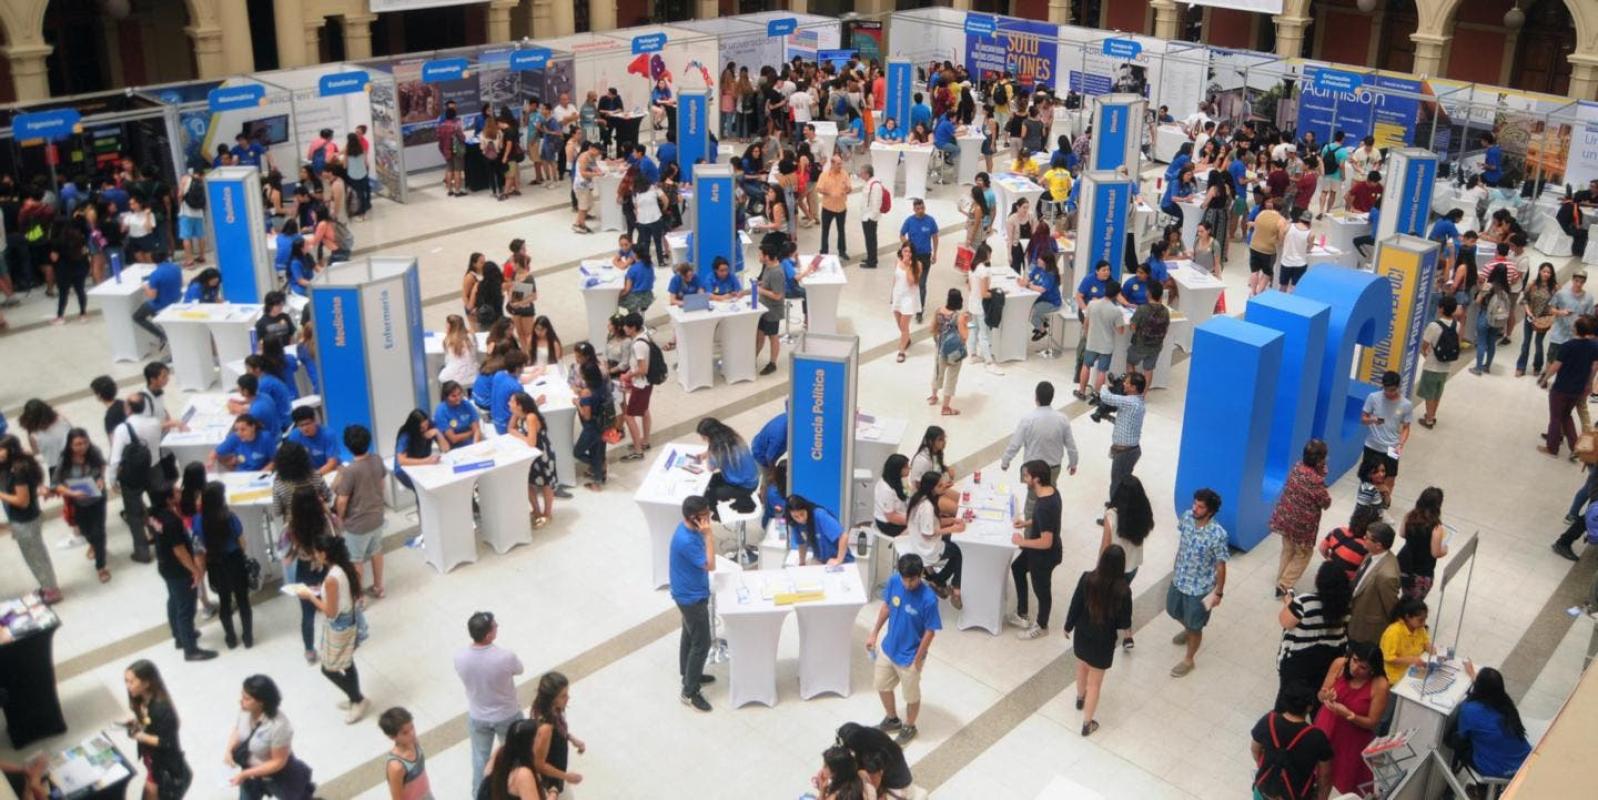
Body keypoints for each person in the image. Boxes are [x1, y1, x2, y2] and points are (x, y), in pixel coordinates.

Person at [294, 534, 370, 723]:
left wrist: (310, 596)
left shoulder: (331, 579)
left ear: (324, 554)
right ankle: (355, 697)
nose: (315, 556)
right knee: (347, 663)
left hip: (339, 626)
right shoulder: (344, 568)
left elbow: (330, 612)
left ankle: (357, 699)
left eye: (316, 553)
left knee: (328, 669)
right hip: (349, 619)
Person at [868, 554, 941, 746]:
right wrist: (874, 633)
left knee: (911, 696)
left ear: (920, 575)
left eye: (912, 580)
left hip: (910, 656)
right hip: (889, 648)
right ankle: (892, 719)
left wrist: (918, 659)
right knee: (882, 685)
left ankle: (909, 726)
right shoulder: (894, 581)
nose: (908, 584)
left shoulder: (929, 599)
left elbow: (930, 631)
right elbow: (886, 607)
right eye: (905, 579)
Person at [455, 610, 525, 796]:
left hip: (478, 716)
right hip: (507, 715)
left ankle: (479, 794)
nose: (497, 627)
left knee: (480, 759)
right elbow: (519, 669)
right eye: (494, 626)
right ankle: (516, 790)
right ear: (488, 635)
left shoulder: (460, 657)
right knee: (515, 754)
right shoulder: (505, 657)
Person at [145, 478, 216, 660]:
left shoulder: (154, 514)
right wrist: (195, 570)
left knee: (174, 600)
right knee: (186, 607)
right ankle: (190, 649)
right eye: (176, 492)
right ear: (168, 499)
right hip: (178, 569)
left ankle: (179, 636)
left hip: (165, 565)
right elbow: (179, 550)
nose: (179, 493)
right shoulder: (171, 521)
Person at [1313, 641, 1390, 795]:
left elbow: (1372, 722)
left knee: (1347, 780)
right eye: (1354, 661)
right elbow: (1321, 694)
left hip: (1352, 739)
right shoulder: (1339, 664)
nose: (1355, 668)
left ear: (1372, 669)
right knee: (1320, 775)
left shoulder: (1380, 685)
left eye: (1363, 667)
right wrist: (1325, 696)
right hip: (1326, 726)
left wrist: (1349, 715)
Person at [1167, 488, 1228, 678]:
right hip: (1179, 579)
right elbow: (1182, 544)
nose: (1195, 508)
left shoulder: (1218, 534)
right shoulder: (1186, 517)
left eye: (1200, 506)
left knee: (1196, 626)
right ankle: (1188, 628)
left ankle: (1189, 659)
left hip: (1200, 588)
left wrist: (1218, 592)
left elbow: (1221, 566)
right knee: (1172, 609)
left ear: (1210, 511)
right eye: (1195, 504)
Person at [1276, 560, 1352, 709]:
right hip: (1328, 659)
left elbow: (1285, 622)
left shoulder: (1304, 602)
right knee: (1316, 697)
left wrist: (1289, 602)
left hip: (1299, 659)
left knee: (1288, 699)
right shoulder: (1346, 605)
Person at [226, 674, 316, 799]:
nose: (241, 701)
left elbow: (278, 762)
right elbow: (238, 730)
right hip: (251, 774)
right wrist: (229, 750)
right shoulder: (246, 710)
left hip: (277, 778)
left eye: (247, 698)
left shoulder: (279, 726)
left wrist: (245, 774)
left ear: (261, 702)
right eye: (242, 696)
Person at [1005, 461, 1063, 641]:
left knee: (1042, 591)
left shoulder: (1045, 505)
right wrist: (1026, 523)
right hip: (1037, 550)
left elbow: (1046, 542)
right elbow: (1044, 520)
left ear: (1036, 479)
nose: (1024, 479)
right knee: (1018, 567)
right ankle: (1022, 611)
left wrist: (1022, 541)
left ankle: (1042, 626)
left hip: (1044, 556)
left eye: (1026, 476)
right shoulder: (1050, 491)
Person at [670, 495, 717, 712]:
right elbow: (710, 564)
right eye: (705, 515)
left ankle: (689, 674)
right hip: (691, 598)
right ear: (693, 517)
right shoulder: (687, 540)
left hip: (689, 592)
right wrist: (709, 536)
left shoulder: (690, 530)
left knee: (689, 635)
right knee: (702, 643)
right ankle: (689, 691)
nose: (709, 519)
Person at [1270, 440, 1334, 598]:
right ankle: (1285, 584)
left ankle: (1280, 580)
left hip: (1286, 519)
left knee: (1288, 549)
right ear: (1319, 460)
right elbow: (1325, 502)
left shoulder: (1297, 467)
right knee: (1304, 554)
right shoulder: (1316, 481)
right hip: (1302, 526)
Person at [1446, 664, 1532, 780]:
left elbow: (1461, 737)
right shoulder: (1506, 704)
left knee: (1452, 739)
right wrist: (1472, 675)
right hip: (1524, 761)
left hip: (1498, 769)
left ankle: (1454, 778)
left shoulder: (1469, 709)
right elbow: (1489, 689)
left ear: (1478, 686)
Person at [122, 659, 192, 798]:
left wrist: (140, 736)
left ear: (146, 683)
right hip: (152, 762)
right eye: (126, 681)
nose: (128, 686)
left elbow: (166, 741)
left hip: (163, 766)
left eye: (132, 682)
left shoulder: (162, 708)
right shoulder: (140, 700)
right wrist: (137, 724)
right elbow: (147, 721)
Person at [196, 481, 253, 649]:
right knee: (243, 600)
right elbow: (242, 543)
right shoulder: (230, 517)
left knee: (224, 601)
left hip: (215, 563)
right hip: (234, 561)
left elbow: (199, 547)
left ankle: (230, 638)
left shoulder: (199, 521)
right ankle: (248, 637)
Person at [1250, 685, 1334, 800]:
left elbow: (1255, 750)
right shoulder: (1317, 737)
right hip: (1296, 795)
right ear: (1309, 707)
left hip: (1263, 790)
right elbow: (1325, 776)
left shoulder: (1268, 720)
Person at [332, 424, 387, 599]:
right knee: (376, 551)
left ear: (348, 446)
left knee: (356, 560)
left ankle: (358, 597)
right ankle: (378, 587)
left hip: (357, 523)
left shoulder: (350, 471)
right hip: (377, 517)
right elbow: (381, 485)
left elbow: (342, 500)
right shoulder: (377, 460)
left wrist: (340, 518)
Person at [897, 470, 967, 605]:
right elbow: (928, 532)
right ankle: (953, 587)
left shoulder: (919, 499)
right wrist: (953, 528)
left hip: (917, 541)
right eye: (940, 486)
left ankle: (937, 580)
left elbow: (933, 522)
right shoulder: (927, 507)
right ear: (932, 488)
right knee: (958, 552)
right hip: (926, 547)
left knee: (952, 540)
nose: (943, 487)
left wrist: (952, 520)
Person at [51, 428, 109, 582]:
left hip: (97, 498)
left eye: (85, 443)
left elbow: (101, 466)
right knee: (85, 531)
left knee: (99, 532)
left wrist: (101, 479)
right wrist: (72, 493)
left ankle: (101, 566)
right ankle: (94, 544)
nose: (82, 447)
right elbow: (55, 484)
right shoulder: (65, 460)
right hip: (78, 502)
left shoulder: (94, 452)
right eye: (77, 444)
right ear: (70, 445)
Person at [109, 395, 161, 564]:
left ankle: (142, 552)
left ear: (128, 408)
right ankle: (161, 541)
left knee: (134, 515)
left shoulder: (123, 429)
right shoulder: (155, 422)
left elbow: (115, 459)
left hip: (132, 475)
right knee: (159, 507)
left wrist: (112, 480)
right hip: (154, 469)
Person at [1539, 314, 1598, 458]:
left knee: (1555, 418)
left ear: (1576, 329)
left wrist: (1545, 378)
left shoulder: (1567, 346)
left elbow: (1556, 366)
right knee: (1566, 416)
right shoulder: (1593, 346)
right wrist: (1589, 383)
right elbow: (1593, 367)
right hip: (1577, 388)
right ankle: (1575, 447)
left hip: (1562, 387)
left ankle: (1552, 448)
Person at [1346, 522, 1402, 644]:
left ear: (1378, 545)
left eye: (1367, 537)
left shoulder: (1387, 575)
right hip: (1355, 615)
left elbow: (1391, 607)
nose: (1364, 538)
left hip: (1367, 627)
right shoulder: (1372, 554)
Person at [531, 671, 586, 794]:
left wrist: (571, 738)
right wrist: (566, 777)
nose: (568, 698)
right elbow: (539, 764)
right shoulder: (545, 728)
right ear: (551, 698)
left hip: (558, 773)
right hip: (551, 781)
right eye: (563, 696)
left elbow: (558, 731)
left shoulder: (553, 710)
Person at [1360, 371, 1412, 499]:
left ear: (1398, 387)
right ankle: (1366, 500)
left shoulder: (1406, 405)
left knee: (1390, 477)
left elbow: (1406, 428)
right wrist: (1372, 419)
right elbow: (1363, 419)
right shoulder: (1373, 397)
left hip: (1393, 447)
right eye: (1386, 389)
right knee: (1367, 476)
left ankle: (1384, 503)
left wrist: (1401, 444)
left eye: (1392, 390)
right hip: (1372, 444)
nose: (1389, 393)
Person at [1097, 372, 1147, 503]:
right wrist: (1108, 417)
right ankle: (1119, 504)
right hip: (1130, 451)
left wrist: (1105, 385)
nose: (1124, 384)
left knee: (1117, 482)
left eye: (1127, 383)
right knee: (1121, 481)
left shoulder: (1130, 402)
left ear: (1134, 388)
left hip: (1125, 453)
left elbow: (1106, 397)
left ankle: (1115, 509)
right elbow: (1125, 423)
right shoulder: (1138, 402)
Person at [1415, 296, 1460, 429]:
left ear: (1440, 308)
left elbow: (1424, 346)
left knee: (1429, 394)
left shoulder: (1434, 326)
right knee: (1437, 393)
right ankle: (1432, 415)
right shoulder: (1457, 325)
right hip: (1446, 367)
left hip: (1432, 366)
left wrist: (1425, 355)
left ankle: (1429, 420)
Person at [1397, 486, 1449, 600]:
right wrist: (1445, 549)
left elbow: (1402, 534)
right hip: (1422, 570)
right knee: (1413, 602)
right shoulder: (1436, 528)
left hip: (1404, 564)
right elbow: (1435, 553)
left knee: (1401, 593)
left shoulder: (1409, 516)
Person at [1076, 282, 1125, 401]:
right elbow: (1121, 331)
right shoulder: (1116, 311)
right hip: (1106, 345)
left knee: (1086, 366)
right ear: (1117, 294)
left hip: (1092, 342)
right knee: (1102, 371)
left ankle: (1081, 391)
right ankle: (1096, 395)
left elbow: (1086, 323)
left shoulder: (1092, 304)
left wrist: (1087, 335)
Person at [483, 719, 552, 799]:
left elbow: (487, 774)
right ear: (530, 743)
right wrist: (553, 794)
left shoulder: (501, 752)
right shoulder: (523, 774)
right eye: (539, 736)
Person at [928, 288, 970, 415]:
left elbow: (932, 328)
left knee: (937, 372)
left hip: (940, 348)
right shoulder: (959, 317)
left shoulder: (938, 311)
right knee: (951, 377)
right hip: (954, 352)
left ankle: (934, 396)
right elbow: (964, 336)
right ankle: (945, 408)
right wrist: (966, 324)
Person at [1380, 598, 1435, 694]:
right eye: (1420, 620)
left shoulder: (1420, 629)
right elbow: (1388, 658)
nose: (1424, 623)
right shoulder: (1393, 632)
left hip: (1414, 671)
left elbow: (1425, 642)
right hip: (1395, 678)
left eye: (1425, 619)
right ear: (1408, 617)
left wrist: (1429, 648)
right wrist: (1411, 660)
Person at [379, 707, 434, 800]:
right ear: (392, 737)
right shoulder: (396, 766)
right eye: (405, 732)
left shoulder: (414, 743)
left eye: (412, 727)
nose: (412, 733)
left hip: (427, 794)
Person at [899, 199, 940, 321]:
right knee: (911, 282)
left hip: (925, 257)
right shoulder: (909, 221)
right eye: (918, 209)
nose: (921, 211)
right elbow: (901, 234)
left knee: (922, 284)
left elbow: (935, 237)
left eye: (922, 208)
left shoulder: (930, 221)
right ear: (914, 209)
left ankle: (919, 311)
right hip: (913, 257)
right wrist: (907, 246)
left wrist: (935, 253)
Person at [785, 494, 852, 566]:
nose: (800, 519)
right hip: (821, 560)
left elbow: (844, 536)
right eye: (796, 516)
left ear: (806, 509)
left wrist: (838, 560)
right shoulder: (795, 523)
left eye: (802, 514)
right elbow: (801, 544)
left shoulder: (820, 515)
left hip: (841, 560)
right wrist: (802, 563)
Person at [1518, 262, 1558, 377]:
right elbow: (1525, 300)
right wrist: (1529, 312)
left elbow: (1556, 304)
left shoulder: (1554, 288)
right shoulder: (1533, 284)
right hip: (1530, 317)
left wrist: (1552, 315)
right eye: (1544, 271)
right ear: (1540, 271)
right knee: (1526, 342)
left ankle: (1537, 366)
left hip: (1543, 319)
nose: (1546, 274)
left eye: (1549, 272)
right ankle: (1521, 366)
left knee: (1538, 343)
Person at [1126, 281, 1170, 382]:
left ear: (1148, 293)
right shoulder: (1165, 310)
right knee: (1148, 370)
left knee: (1130, 363)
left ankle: (1132, 387)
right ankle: (1144, 391)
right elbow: (1166, 328)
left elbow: (1133, 327)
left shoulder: (1142, 309)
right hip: (1156, 346)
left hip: (1139, 346)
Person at [888, 243, 922, 362]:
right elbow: (895, 279)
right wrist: (892, 295)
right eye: (905, 251)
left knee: (904, 325)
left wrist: (908, 267)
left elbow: (911, 282)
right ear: (901, 251)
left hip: (909, 298)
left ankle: (901, 351)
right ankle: (906, 338)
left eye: (909, 252)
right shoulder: (897, 262)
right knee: (900, 325)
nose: (907, 254)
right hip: (898, 296)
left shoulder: (917, 265)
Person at [817, 154, 851, 260]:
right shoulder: (824, 175)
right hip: (827, 208)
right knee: (825, 230)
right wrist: (829, 192)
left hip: (841, 208)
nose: (840, 166)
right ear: (832, 164)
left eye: (841, 163)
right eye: (838, 164)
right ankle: (824, 251)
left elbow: (850, 189)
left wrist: (847, 189)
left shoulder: (844, 174)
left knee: (841, 230)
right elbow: (818, 188)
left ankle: (842, 251)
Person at [873, 454, 911, 537]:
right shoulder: (885, 489)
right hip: (889, 524)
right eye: (906, 467)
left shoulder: (898, 480)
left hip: (901, 514)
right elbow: (891, 517)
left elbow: (906, 496)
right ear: (897, 469)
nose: (909, 468)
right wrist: (912, 521)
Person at [860, 165, 887, 269]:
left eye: (862, 173)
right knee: (869, 239)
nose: (860, 174)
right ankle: (870, 257)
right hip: (866, 216)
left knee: (871, 240)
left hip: (870, 218)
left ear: (867, 174)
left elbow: (876, 203)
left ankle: (872, 262)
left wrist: (871, 217)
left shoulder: (875, 186)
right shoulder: (869, 183)